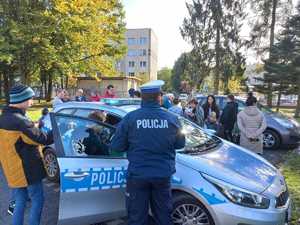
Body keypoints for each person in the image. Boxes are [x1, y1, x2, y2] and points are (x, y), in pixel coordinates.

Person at [110, 80, 185, 225]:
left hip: (138, 176)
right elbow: (180, 144)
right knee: (163, 215)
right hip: (162, 175)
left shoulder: (130, 119)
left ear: (142, 98)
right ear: (159, 97)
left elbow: (117, 147)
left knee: (137, 217)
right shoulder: (172, 119)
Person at [0, 85, 53, 225]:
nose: (32, 101)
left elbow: (21, 139)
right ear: (22, 99)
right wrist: (61, 129)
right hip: (27, 170)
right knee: (37, 199)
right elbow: (43, 139)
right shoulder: (20, 121)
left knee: (20, 201)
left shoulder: (4, 117)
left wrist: (32, 125)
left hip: (12, 169)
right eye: (30, 98)